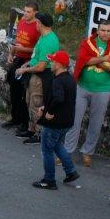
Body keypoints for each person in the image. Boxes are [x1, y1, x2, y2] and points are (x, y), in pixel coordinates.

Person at [65, 22, 110, 166]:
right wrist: (103, 59)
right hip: (83, 86)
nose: (106, 33)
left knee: (96, 123)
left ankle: (88, 152)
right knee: (74, 121)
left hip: (103, 89)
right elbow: (83, 59)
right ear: (97, 30)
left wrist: (92, 60)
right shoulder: (87, 42)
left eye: (109, 31)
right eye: (103, 30)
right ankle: (67, 151)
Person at [32, 51, 80, 189]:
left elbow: (58, 98)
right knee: (57, 144)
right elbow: (62, 99)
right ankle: (71, 172)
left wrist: (49, 112)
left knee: (47, 150)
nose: (51, 63)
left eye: (53, 61)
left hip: (55, 123)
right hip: (67, 122)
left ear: (59, 64)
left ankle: (49, 180)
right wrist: (45, 107)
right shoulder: (70, 79)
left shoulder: (58, 80)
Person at [15, 13, 58, 144]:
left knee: (36, 104)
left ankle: (39, 133)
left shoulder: (48, 41)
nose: (35, 25)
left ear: (40, 23)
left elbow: (41, 66)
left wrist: (24, 70)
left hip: (40, 77)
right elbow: (37, 57)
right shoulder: (43, 37)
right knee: (30, 102)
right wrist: (28, 63)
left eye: (37, 22)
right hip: (35, 75)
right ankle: (32, 129)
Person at [2, 3, 40, 132]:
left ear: (35, 13)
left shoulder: (37, 26)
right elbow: (16, 41)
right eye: (25, 11)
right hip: (18, 57)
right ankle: (15, 118)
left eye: (29, 12)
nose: (25, 14)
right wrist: (11, 53)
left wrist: (23, 49)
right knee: (13, 87)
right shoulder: (22, 22)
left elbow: (38, 49)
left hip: (28, 61)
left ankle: (24, 121)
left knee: (24, 92)